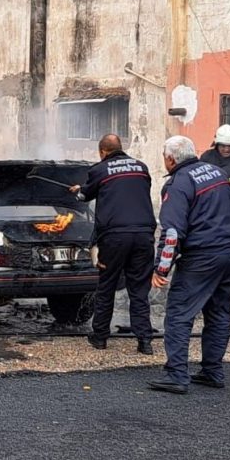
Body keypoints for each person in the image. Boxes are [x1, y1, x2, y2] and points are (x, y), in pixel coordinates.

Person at [147, 136, 230, 395]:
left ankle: (176, 375)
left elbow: (172, 233)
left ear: (170, 159)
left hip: (201, 257)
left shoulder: (179, 183)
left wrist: (161, 269)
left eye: (164, 157)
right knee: (218, 313)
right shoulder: (218, 173)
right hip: (228, 253)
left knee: (179, 313)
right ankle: (212, 371)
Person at [69, 134, 157, 355]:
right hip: (144, 236)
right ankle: (145, 342)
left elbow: (84, 197)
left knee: (106, 286)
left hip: (115, 237)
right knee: (139, 290)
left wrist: (78, 190)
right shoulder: (141, 168)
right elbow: (128, 190)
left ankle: (100, 337)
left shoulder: (99, 169)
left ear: (102, 151)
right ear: (121, 148)